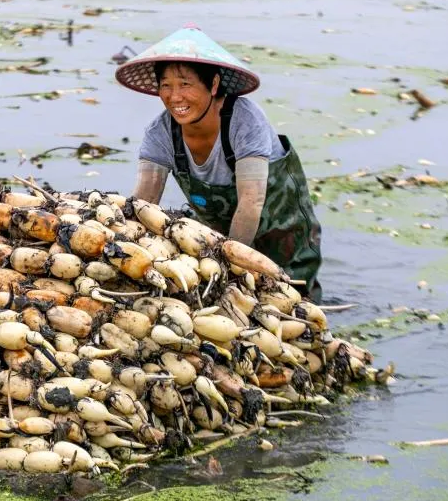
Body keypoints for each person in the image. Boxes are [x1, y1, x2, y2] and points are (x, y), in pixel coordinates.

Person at [116, 24, 323, 301]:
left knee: (295, 307)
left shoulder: (244, 121)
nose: (174, 96)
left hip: (284, 241)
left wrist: (229, 271)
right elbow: (143, 204)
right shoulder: (160, 134)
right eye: (166, 85)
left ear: (213, 85)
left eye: (185, 84)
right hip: (219, 240)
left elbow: (251, 203)